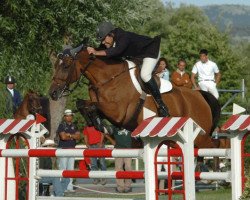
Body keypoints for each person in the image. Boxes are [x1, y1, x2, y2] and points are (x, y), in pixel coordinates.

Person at [87, 21, 169, 117]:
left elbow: (115, 51)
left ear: (111, 34)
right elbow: (100, 51)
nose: (103, 43)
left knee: (145, 75)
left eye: (104, 40)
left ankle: (161, 105)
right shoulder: (111, 39)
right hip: (138, 56)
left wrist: (96, 52)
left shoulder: (123, 37)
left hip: (150, 51)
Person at [56, 109, 80, 192]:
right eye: (67, 116)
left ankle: (69, 187)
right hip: (63, 149)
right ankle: (62, 187)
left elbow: (78, 137)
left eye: (70, 115)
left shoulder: (75, 125)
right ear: (64, 117)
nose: (69, 117)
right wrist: (72, 135)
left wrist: (68, 135)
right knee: (63, 169)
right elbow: (63, 137)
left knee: (71, 169)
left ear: (72, 116)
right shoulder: (61, 125)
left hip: (72, 149)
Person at [108, 126, 133, 193]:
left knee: (128, 168)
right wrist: (113, 142)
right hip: (118, 149)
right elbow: (106, 133)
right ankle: (120, 187)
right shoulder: (114, 127)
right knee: (118, 168)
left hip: (128, 149)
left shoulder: (129, 125)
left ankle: (128, 186)